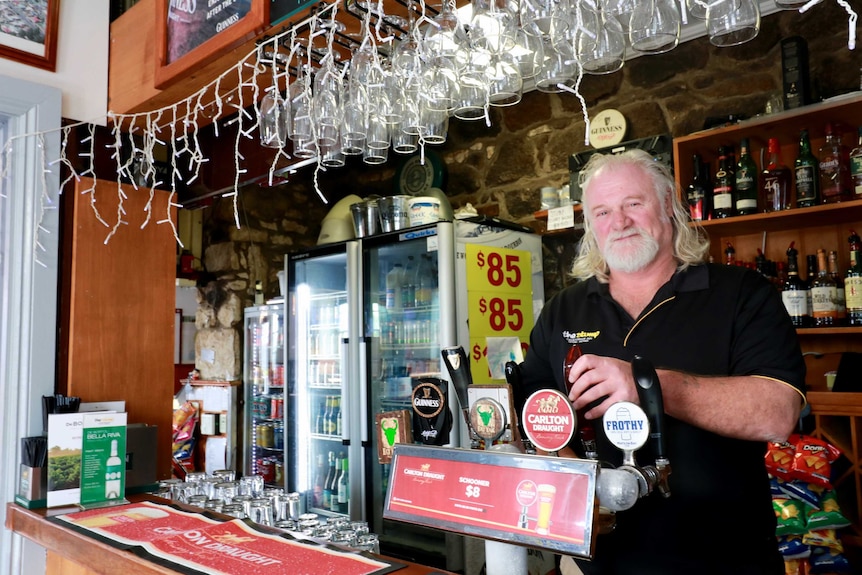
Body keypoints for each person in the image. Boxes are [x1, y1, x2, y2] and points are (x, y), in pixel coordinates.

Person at [518, 149, 806, 575]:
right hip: (598, 562)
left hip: (723, 559)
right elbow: (533, 407)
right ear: (591, 228)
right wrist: (566, 462)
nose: (619, 222)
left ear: (670, 205)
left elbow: (778, 413)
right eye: (602, 212)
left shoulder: (741, 293)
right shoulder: (564, 310)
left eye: (634, 203)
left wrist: (646, 383)